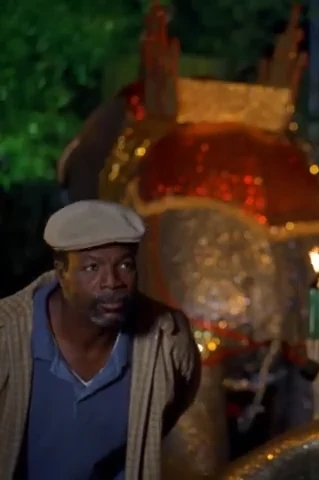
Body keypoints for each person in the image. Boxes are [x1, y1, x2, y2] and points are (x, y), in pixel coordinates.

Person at [0, 200, 201, 479]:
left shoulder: (167, 339)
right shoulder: (7, 334)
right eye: (92, 267)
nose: (112, 281)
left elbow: (170, 407)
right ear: (61, 272)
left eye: (125, 264)